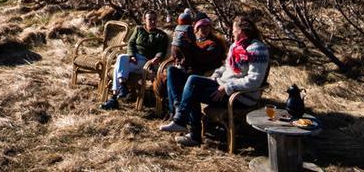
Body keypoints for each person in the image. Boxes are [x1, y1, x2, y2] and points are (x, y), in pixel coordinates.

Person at [160, 14, 270, 148]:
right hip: (223, 84)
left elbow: (255, 80)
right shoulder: (235, 46)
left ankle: (191, 132)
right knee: (192, 79)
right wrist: (215, 75)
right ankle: (180, 120)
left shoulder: (257, 49)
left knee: (193, 90)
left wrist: (227, 87)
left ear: (241, 30)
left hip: (241, 96)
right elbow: (227, 67)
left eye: (234, 29)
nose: (232, 32)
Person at [100, 11, 169, 110]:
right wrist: (132, 56)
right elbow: (131, 43)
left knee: (117, 67)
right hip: (133, 58)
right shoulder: (138, 29)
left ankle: (114, 98)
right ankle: (123, 86)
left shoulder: (161, 35)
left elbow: (161, 50)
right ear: (144, 20)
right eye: (150, 19)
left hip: (145, 61)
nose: (153, 21)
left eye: (154, 19)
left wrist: (157, 58)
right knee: (121, 58)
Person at [164, 16, 226, 116]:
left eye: (207, 27)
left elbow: (204, 58)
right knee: (171, 70)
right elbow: (184, 54)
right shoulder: (193, 40)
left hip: (203, 73)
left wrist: (191, 44)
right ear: (196, 28)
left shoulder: (213, 43)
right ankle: (176, 107)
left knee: (179, 80)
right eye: (202, 27)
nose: (205, 29)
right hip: (190, 70)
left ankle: (177, 113)